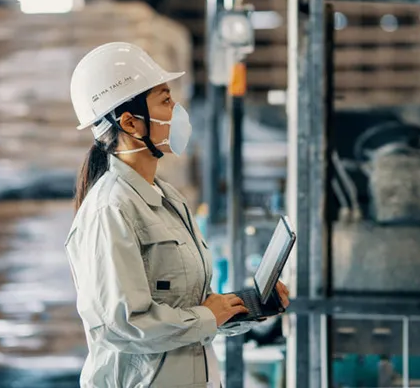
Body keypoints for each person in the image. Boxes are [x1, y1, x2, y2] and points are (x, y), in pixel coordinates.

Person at [65, 42, 290, 388]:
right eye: (166, 100)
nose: (177, 112)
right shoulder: (110, 210)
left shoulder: (167, 197)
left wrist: (250, 309)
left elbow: (189, 312)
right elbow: (121, 325)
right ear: (130, 122)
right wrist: (205, 317)